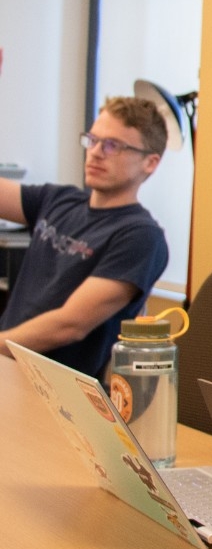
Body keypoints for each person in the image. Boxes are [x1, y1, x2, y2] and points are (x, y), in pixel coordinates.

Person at [1, 96, 170, 378]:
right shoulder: (58, 200)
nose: (96, 153)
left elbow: (69, 325)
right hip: (9, 366)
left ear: (150, 162)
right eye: (92, 140)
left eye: (113, 145)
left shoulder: (141, 237)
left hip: (56, 392)